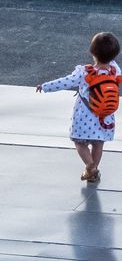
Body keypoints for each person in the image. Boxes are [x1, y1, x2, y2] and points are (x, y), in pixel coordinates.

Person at [37, 32, 121, 182]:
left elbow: (64, 82)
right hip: (105, 117)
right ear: (115, 55)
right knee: (98, 143)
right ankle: (93, 171)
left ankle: (90, 166)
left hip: (84, 117)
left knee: (79, 143)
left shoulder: (84, 73)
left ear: (92, 52)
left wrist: (45, 86)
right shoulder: (115, 71)